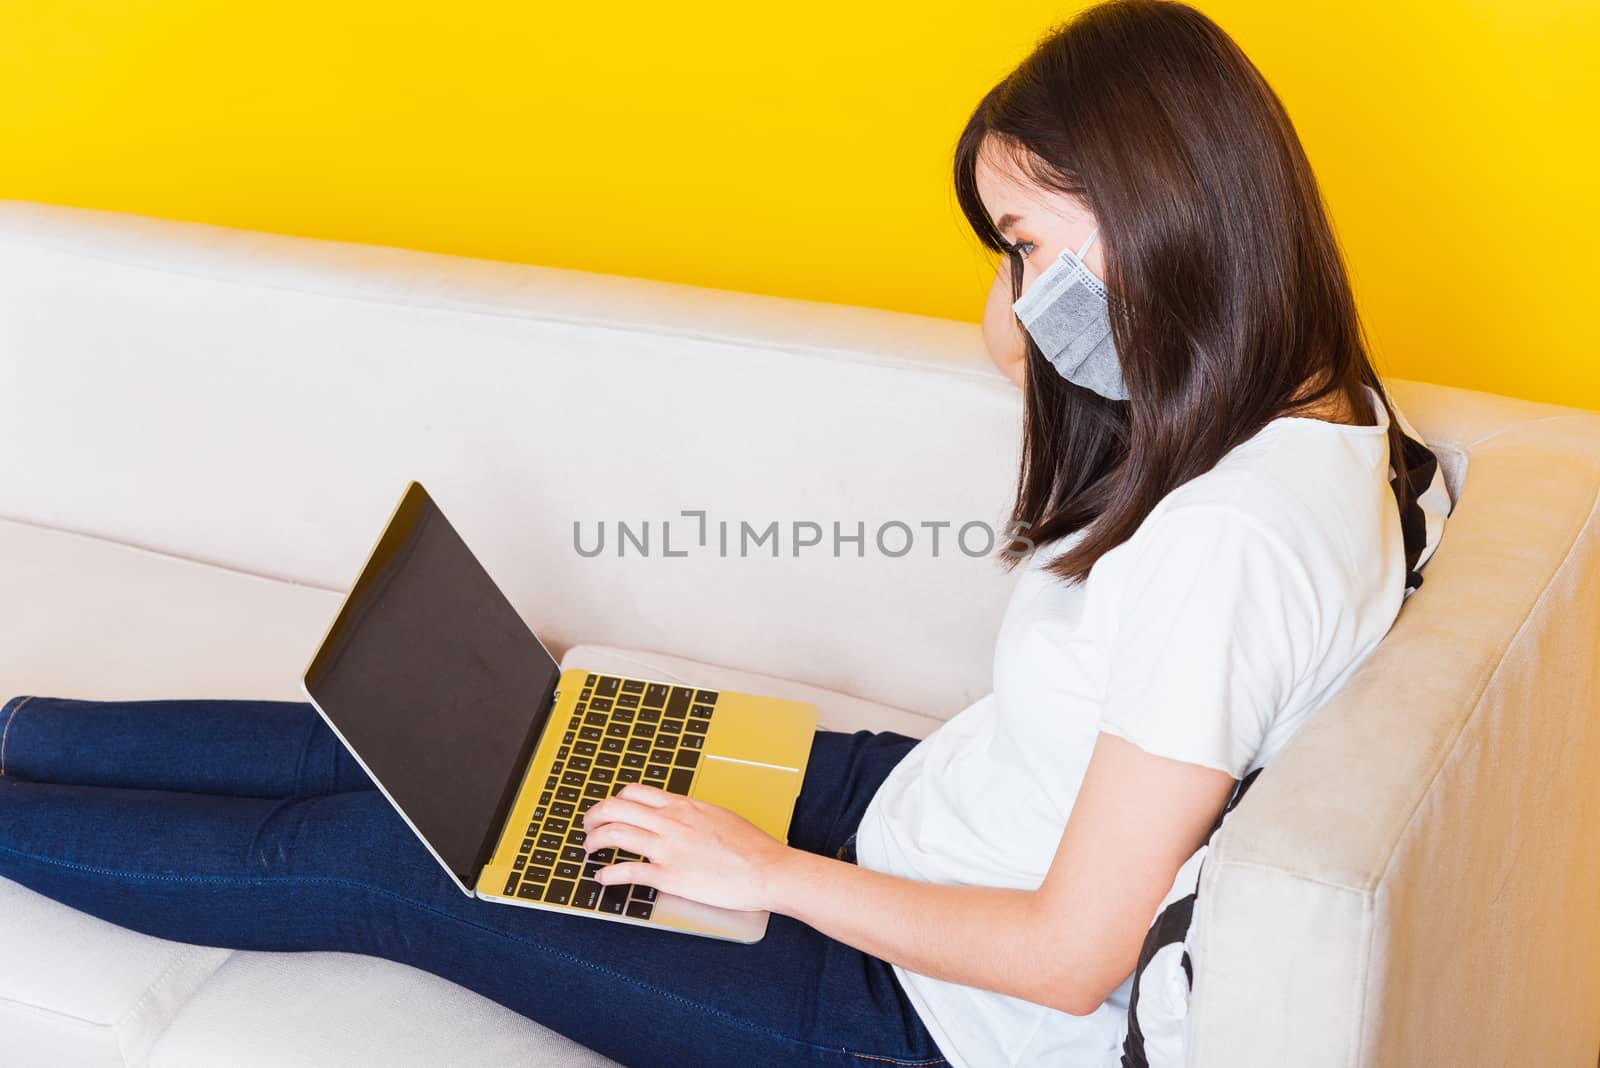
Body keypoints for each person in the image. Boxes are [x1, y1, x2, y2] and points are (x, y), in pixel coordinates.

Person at [0, 2, 1441, 1065]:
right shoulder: (1323, 420)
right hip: (922, 817)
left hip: (927, 1016)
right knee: (478, 742)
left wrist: (757, 874)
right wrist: (1045, 306)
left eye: (1024, 243)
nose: (1016, 300)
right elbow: (1079, 381)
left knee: (380, 869)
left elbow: (1075, 960)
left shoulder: (1235, 549)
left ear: (1172, 208)